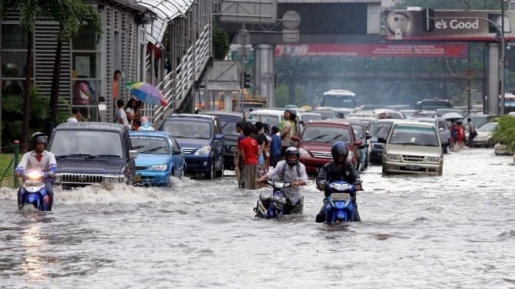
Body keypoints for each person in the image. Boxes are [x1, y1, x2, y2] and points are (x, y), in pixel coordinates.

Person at [315, 141, 363, 223]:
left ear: (345, 155)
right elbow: (320, 178)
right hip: (331, 198)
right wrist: (321, 184)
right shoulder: (327, 167)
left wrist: (357, 185)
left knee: (357, 221)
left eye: (342, 155)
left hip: (349, 198)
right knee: (320, 217)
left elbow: (357, 177)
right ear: (334, 155)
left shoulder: (350, 166)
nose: (340, 157)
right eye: (338, 155)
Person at [256, 147, 308, 214]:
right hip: (283, 191)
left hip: (297, 195)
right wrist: (262, 178)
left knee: (297, 217)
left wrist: (297, 183)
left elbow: (305, 180)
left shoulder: (301, 167)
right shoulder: (281, 164)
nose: (292, 159)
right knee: (277, 208)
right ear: (286, 157)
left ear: (297, 158)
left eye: (294, 157)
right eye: (290, 157)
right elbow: (271, 173)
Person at [14, 132, 57, 210]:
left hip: (45, 180)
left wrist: (51, 172)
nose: (41, 145)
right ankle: (20, 209)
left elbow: (53, 166)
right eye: (38, 144)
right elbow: (21, 165)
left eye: (42, 144)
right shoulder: (27, 155)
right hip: (29, 181)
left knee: (49, 191)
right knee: (20, 191)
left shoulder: (50, 155)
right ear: (34, 144)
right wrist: (18, 171)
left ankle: (49, 210)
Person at [238, 122, 259, 190]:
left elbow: (241, 154)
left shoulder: (242, 142)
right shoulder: (254, 141)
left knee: (247, 185)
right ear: (250, 133)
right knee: (254, 184)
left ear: (243, 132)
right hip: (255, 164)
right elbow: (257, 154)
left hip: (247, 164)